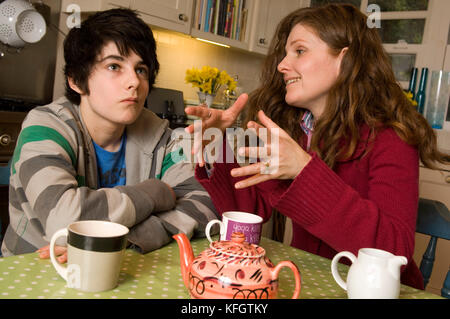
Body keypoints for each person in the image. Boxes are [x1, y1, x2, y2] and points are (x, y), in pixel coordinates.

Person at [184, 4, 449, 290]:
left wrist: (305, 171)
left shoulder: (392, 137)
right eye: (285, 53)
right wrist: (216, 146)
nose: (282, 65)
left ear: (344, 60)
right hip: (312, 284)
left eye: (299, 51)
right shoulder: (297, 131)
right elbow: (248, 211)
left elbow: (395, 250)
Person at [1, 8, 218, 260]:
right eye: (114, 66)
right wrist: (153, 193)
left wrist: (129, 239)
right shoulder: (45, 127)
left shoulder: (163, 136)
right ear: (76, 80)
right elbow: (63, 218)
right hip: (36, 274)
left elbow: (204, 204)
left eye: (141, 70)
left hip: (120, 268)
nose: (134, 82)